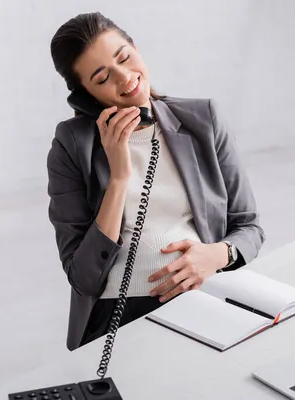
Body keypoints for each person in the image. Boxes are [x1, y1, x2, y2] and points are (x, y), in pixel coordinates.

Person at [48, 12, 265, 351]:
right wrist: (119, 177)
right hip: (117, 315)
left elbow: (249, 226)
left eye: (125, 58)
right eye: (103, 78)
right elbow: (83, 276)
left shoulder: (202, 119)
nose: (125, 79)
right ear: (85, 95)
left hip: (201, 298)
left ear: (135, 47)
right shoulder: (71, 145)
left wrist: (217, 255)